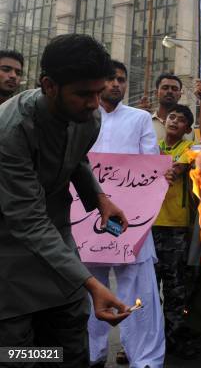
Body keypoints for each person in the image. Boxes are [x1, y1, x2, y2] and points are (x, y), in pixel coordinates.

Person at [0, 34, 130, 365]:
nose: (93, 103)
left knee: (69, 348)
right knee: (19, 355)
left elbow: (75, 158)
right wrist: (91, 284)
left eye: (98, 93)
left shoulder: (89, 115)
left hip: (58, 250)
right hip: (9, 258)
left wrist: (99, 197)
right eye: (84, 94)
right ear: (49, 85)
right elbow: (27, 220)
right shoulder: (10, 130)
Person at [86, 60, 165, 368]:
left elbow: (151, 165)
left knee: (140, 291)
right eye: (110, 79)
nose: (116, 84)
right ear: (98, 83)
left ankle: (145, 359)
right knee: (90, 290)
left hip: (131, 219)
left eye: (121, 79)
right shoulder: (82, 117)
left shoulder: (140, 118)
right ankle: (91, 354)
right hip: (86, 220)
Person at [154, 104, 201, 359]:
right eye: (171, 117)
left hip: (176, 228)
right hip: (147, 227)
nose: (174, 121)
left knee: (175, 288)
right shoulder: (151, 146)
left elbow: (177, 170)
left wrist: (165, 170)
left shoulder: (188, 149)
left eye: (181, 120)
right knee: (150, 288)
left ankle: (174, 340)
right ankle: (151, 339)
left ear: (187, 128)